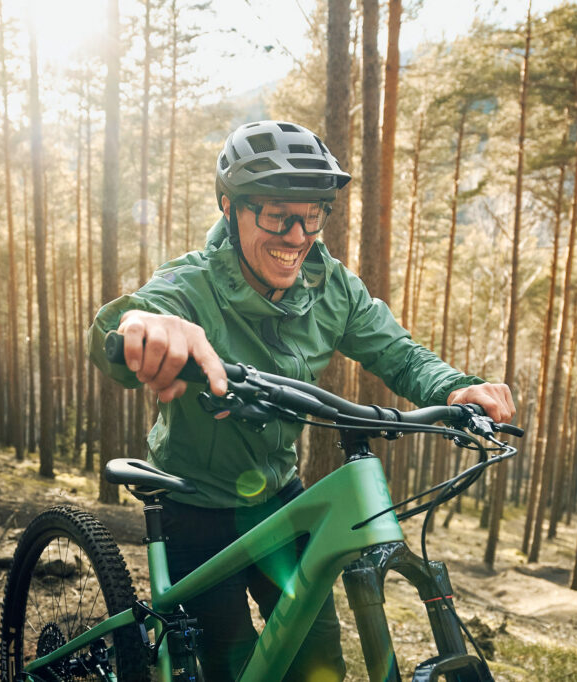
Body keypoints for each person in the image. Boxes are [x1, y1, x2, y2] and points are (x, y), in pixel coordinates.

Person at [88, 120, 515, 681]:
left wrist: (453, 388)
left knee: (318, 661)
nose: (295, 236)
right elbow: (133, 321)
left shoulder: (333, 287)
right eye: (275, 213)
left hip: (281, 503)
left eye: (311, 214)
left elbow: (399, 353)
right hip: (194, 504)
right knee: (227, 661)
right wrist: (143, 327)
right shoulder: (192, 285)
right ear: (229, 207)